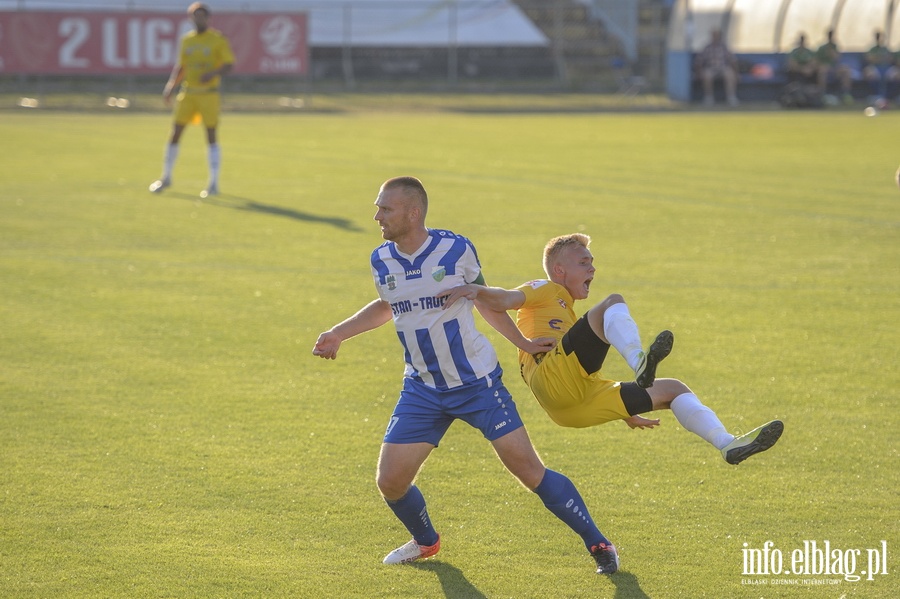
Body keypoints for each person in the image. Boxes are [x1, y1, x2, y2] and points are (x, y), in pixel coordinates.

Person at [312, 178, 620, 574]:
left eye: (384, 209)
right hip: (422, 388)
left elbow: (484, 300)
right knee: (390, 482)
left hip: (478, 384)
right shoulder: (381, 259)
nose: (376, 216)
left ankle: (598, 543)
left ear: (413, 212)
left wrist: (523, 342)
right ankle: (426, 542)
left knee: (529, 471)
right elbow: (388, 305)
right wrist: (338, 332)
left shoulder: (455, 249)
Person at [439, 233, 784, 466]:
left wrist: (624, 411)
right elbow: (504, 299)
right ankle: (639, 362)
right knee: (611, 305)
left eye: (592, 262)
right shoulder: (545, 288)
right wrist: (476, 290)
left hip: (570, 406)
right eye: (583, 262)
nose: (592, 268)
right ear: (559, 270)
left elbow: (581, 362)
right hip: (554, 376)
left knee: (675, 390)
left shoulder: (564, 310)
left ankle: (728, 444)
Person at [149, 2, 234, 198]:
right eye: (195, 16)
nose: (199, 19)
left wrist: (212, 72)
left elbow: (229, 64)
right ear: (191, 18)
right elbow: (182, 66)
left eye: (202, 16)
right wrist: (171, 87)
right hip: (188, 93)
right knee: (175, 133)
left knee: (210, 135)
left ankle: (213, 183)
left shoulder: (217, 39)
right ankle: (166, 176)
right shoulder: (187, 40)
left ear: (208, 18)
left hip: (209, 94)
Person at [695, 29, 739, 107]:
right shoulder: (707, 47)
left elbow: (732, 60)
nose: (715, 37)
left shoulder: (724, 47)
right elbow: (699, 61)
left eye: (717, 36)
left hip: (723, 68)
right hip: (711, 68)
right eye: (714, 35)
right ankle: (709, 97)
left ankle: (731, 97)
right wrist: (699, 72)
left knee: (730, 74)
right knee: (706, 75)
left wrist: (736, 73)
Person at [816, 29, 853, 103]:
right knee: (823, 71)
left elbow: (838, 59)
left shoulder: (835, 46)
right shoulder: (822, 48)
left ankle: (846, 94)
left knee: (846, 70)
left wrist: (833, 53)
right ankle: (822, 94)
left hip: (834, 69)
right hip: (825, 69)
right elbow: (817, 61)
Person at [863, 31, 899, 103]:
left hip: (887, 67)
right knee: (871, 75)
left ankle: (890, 96)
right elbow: (870, 59)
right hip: (875, 67)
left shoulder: (885, 49)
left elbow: (891, 59)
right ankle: (877, 95)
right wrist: (880, 58)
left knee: (897, 75)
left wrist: (879, 58)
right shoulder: (872, 49)